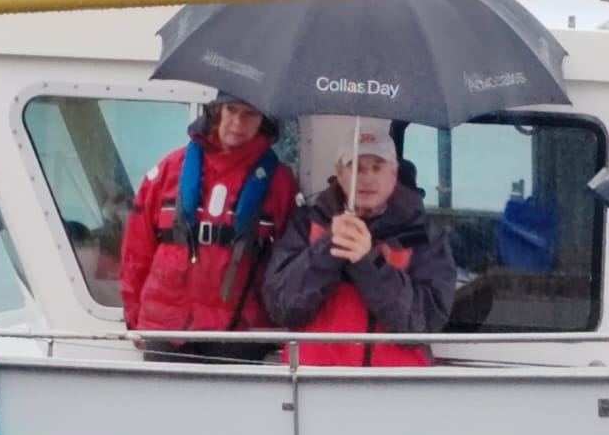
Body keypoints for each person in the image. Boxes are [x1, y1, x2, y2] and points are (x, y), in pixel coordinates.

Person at [119, 94, 299, 360]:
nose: (238, 122)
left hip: (239, 334)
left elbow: (289, 264)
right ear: (216, 112)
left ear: (263, 121)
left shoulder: (280, 183)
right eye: (231, 110)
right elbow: (137, 250)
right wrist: (135, 318)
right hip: (166, 328)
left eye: (250, 114)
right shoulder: (170, 169)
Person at [263, 123, 455, 367]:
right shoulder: (304, 224)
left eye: (377, 167)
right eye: (357, 168)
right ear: (340, 174)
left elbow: (421, 324)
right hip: (314, 384)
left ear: (393, 174)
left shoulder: (426, 235)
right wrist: (328, 248)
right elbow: (283, 308)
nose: (367, 178)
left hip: (395, 388)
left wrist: (369, 262)